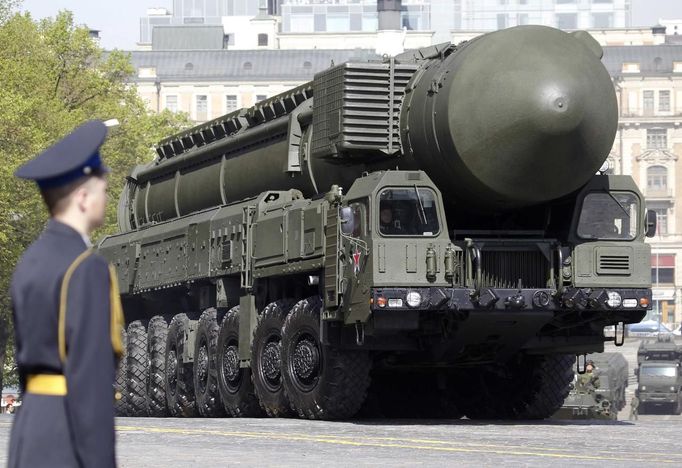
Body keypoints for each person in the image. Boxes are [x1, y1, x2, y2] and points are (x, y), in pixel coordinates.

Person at [8, 120, 123, 468]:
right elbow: (90, 383)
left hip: (29, 432)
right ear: (84, 198)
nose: (107, 196)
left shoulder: (30, 262)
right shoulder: (86, 268)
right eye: (103, 188)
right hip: (67, 435)